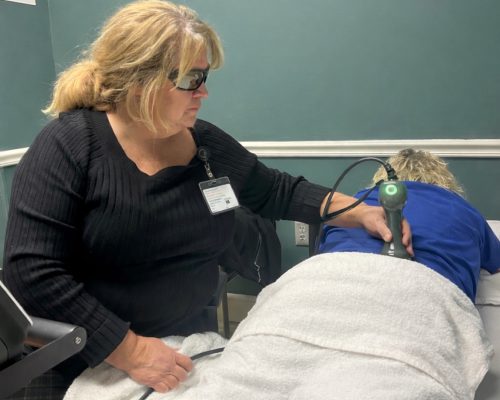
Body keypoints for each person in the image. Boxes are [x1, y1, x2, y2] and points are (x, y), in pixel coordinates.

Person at [2, 1, 411, 399]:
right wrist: (131, 351)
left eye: (204, 76)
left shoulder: (205, 146)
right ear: (138, 79)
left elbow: (274, 190)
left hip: (187, 348)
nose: (204, 92)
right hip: (86, 359)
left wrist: (359, 212)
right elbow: (32, 274)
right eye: (190, 79)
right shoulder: (69, 145)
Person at [319, 148, 500, 301]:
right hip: (430, 293)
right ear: (444, 179)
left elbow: (323, 248)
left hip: (325, 284)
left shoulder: (351, 204)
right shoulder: (465, 211)